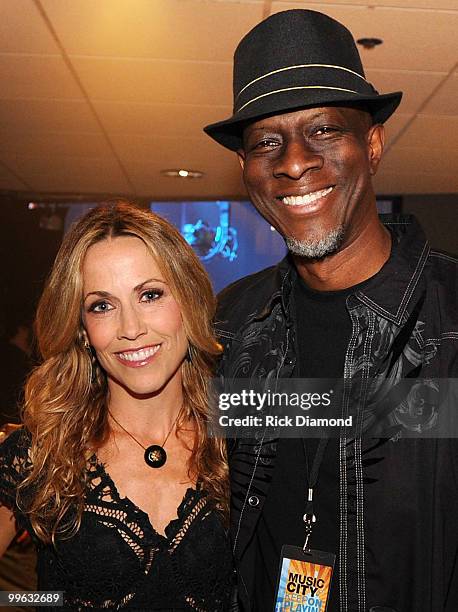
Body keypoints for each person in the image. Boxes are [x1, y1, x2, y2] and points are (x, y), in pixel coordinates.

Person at [204, 9, 458, 612]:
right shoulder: (232, 324)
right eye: (266, 141)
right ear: (246, 168)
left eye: (322, 130)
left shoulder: (450, 316)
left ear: (372, 144)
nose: (293, 162)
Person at [0, 202, 233, 610]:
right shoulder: (39, 454)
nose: (130, 329)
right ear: (83, 330)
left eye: (150, 295)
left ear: (189, 301)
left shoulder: (244, 440)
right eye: (102, 306)